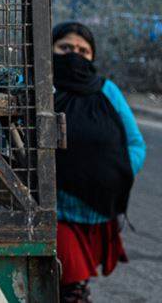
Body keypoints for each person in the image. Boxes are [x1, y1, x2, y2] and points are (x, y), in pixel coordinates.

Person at [53, 21, 145, 303]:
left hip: (95, 212)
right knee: (73, 290)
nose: (74, 55)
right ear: (49, 49)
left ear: (93, 56)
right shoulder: (36, 86)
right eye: (65, 47)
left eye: (83, 50)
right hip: (53, 211)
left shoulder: (107, 92)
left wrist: (111, 173)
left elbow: (135, 144)